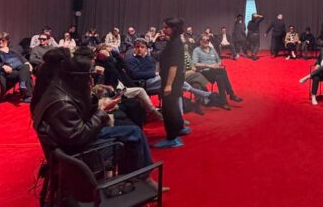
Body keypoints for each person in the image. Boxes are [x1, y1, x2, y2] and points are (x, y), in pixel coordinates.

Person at [31, 47, 164, 190]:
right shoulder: (61, 101)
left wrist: (98, 103)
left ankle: (137, 178)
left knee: (132, 128)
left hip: (70, 145)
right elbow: (78, 136)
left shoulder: (55, 88)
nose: (90, 80)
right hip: (77, 153)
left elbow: (80, 115)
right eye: (88, 76)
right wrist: (101, 112)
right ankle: (138, 179)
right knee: (133, 133)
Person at [154, 17, 188, 148]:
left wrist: (168, 85)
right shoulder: (175, 41)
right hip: (176, 79)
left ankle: (172, 138)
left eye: (166, 27)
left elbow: (173, 66)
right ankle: (179, 128)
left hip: (171, 80)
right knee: (173, 105)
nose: (163, 29)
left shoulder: (175, 43)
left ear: (173, 28)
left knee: (168, 109)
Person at [192, 35, 243, 109]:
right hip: (205, 72)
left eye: (208, 40)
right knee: (223, 71)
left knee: (220, 78)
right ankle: (231, 94)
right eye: (204, 40)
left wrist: (218, 64)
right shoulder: (197, 50)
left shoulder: (212, 49)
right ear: (200, 41)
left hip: (216, 71)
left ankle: (223, 102)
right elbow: (195, 64)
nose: (206, 41)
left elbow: (218, 59)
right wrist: (209, 66)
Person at [0, 32, 33, 103]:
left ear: (7, 40)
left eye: (2, 40)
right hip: (7, 70)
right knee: (25, 72)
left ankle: (22, 86)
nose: (0, 41)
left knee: (26, 67)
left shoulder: (12, 50)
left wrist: (28, 63)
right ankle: (26, 95)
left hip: (19, 67)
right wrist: (3, 66)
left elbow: (21, 58)